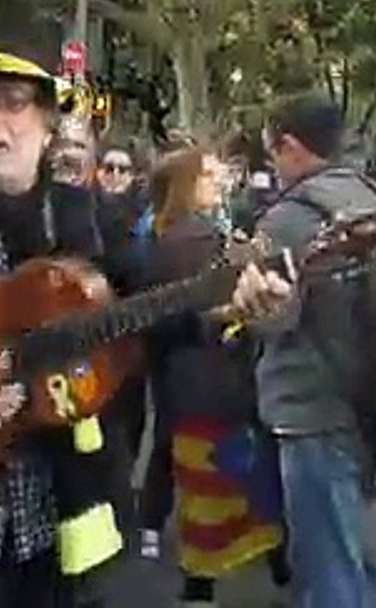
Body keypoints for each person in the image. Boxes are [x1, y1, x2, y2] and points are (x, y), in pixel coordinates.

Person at [0, 2, 293, 608]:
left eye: (12, 100)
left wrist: (232, 308)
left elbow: (152, 313)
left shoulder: (88, 218)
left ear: (47, 124)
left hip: (63, 522)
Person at [251, 94, 376, 608]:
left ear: (288, 145)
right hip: (366, 394)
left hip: (307, 402)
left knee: (326, 560)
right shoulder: (371, 195)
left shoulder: (290, 217)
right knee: (345, 543)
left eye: (271, 151)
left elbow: (272, 318)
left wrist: (233, 301)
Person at [142, 148, 289, 606]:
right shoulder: (199, 240)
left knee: (212, 491)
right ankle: (208, 586)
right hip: (215, 385)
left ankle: (216, 581)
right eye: (206, 175)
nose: (217, 181)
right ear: (186, 184)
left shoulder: (163, 237)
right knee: (227, 488)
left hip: (187, 384)